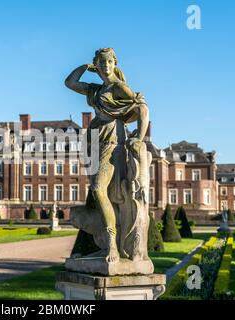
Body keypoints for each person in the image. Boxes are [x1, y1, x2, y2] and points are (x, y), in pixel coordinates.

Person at [65, 48, 149, 262]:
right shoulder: (96, 89)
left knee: (98, 188)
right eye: (101, 62)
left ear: (114, 63)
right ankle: (106, 242)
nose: (105, 66)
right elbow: (70, 82)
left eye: (108, 62)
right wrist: (86, 67)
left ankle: (112, 245)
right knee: (101, 192)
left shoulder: (118, 87)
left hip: (111, 139)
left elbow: (142, 108)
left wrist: (139, 136)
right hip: (94, 138)